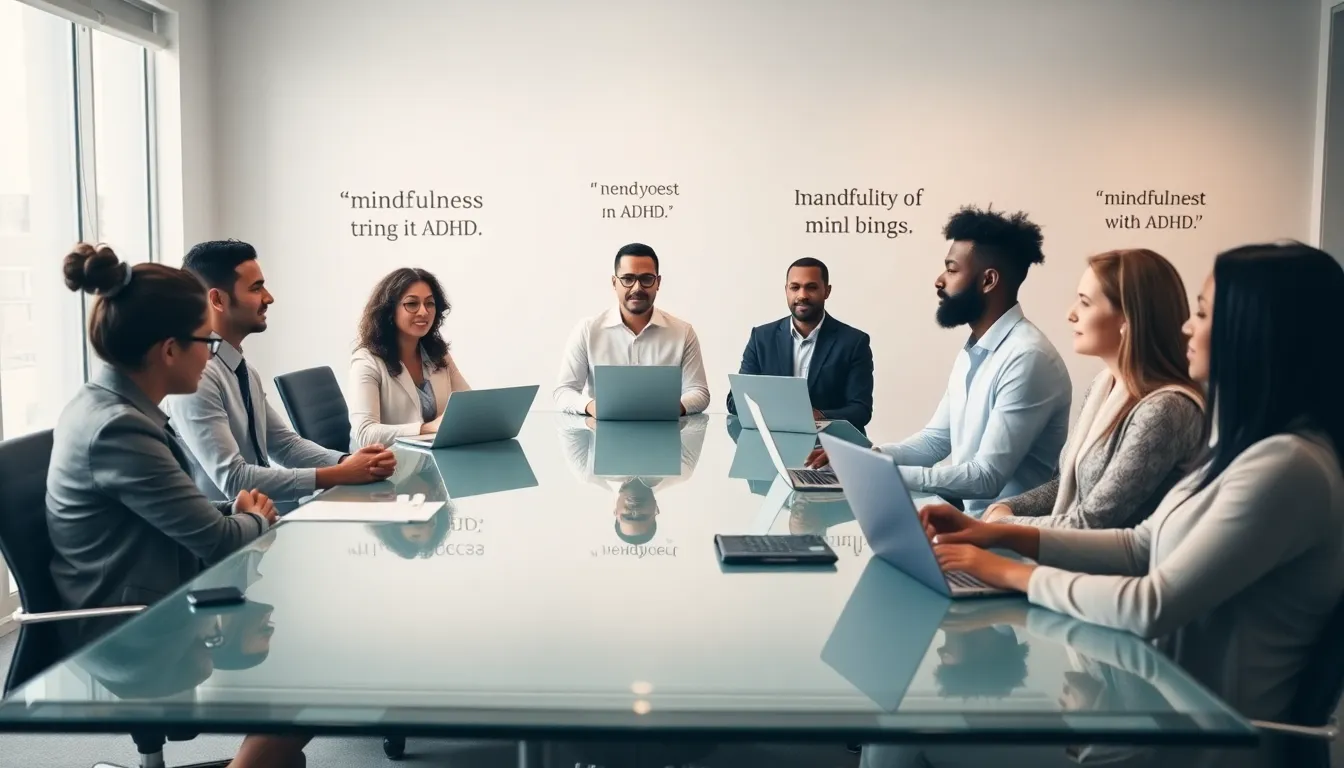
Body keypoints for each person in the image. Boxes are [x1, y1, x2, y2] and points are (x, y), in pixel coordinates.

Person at [875, 242, 1344, 768]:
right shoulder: (1243, 450)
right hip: (1148, 708)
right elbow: (1140, 544)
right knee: (901, 729)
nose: (1187, 328)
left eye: (1204, 314)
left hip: (1190, 741)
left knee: (901, 732)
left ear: (1255, 333)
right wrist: (995, 533)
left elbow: (1150, 605)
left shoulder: (1287, 468)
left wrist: (1005, 571)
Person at [46, 243, 309, 768]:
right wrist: (252, 516)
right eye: (205, 341)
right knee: (314, 673)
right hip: (132, 628)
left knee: (309, 655)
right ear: (169, 350)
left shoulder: (114, 406)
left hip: (155, 592)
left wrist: (235, 513)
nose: (210, 355)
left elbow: (180, 513)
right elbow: (216, 541)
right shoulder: (119, 428)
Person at [807, 205, 1071, 517]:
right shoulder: (976, 349)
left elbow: (986, 477)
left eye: (952, 270)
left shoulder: (1027, 358)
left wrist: (875, 472)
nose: (939, 280)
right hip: (972, 523)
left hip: (1008, 533)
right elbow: (935, 442)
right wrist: (867, 457)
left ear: (988, 280)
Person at [163, 239, 395, 505]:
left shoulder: (241, 369)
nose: (268, 298)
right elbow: (234, 481)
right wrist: (339, 474)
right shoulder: (197, 378)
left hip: (260, 516)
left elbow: (285, 445)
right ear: (217, 299)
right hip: (227, 527)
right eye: (256, 288)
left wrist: (349, 462)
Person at [986, 249, 1205, 529]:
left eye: (1085, 303)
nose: (1071, 314)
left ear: (1128, 320)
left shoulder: (1165, 410)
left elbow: (1093, 522)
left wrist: (1004, 525)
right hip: (1070, 546)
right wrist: (1006, 507)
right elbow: (1067, 484)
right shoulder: (1103, 386)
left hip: (1112, 557)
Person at [553, 243, 710, 417]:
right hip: (602, 431)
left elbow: (699, 392)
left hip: (664, 430)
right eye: (628, 279)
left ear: (658, 283)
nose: (637, 288)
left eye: (646, 279)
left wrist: (669, 408)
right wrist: (593, 407)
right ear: (614, 283)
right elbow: (564, 391)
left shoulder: (683, 332)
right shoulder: (587, 331)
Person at [726, 257, 875, 430]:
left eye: (811, 287)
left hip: (829, 442)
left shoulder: (854, 342)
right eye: (795, 287)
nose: (802, 295)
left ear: (827, 291)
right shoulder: (761, 338)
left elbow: (861, 410)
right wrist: (781, 413)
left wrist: (820, 415)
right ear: (786, 290)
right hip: (773, 440)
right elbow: (735, 401)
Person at [349, 267, 472, 448]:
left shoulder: (437, 353)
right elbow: (365, 433)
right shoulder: (366, 360)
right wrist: (426, 428)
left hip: (431, 456)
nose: (423, 311)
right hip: (386, 460)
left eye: (430, 303)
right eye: (412, 304)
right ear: (390, 310)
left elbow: (469, 404)